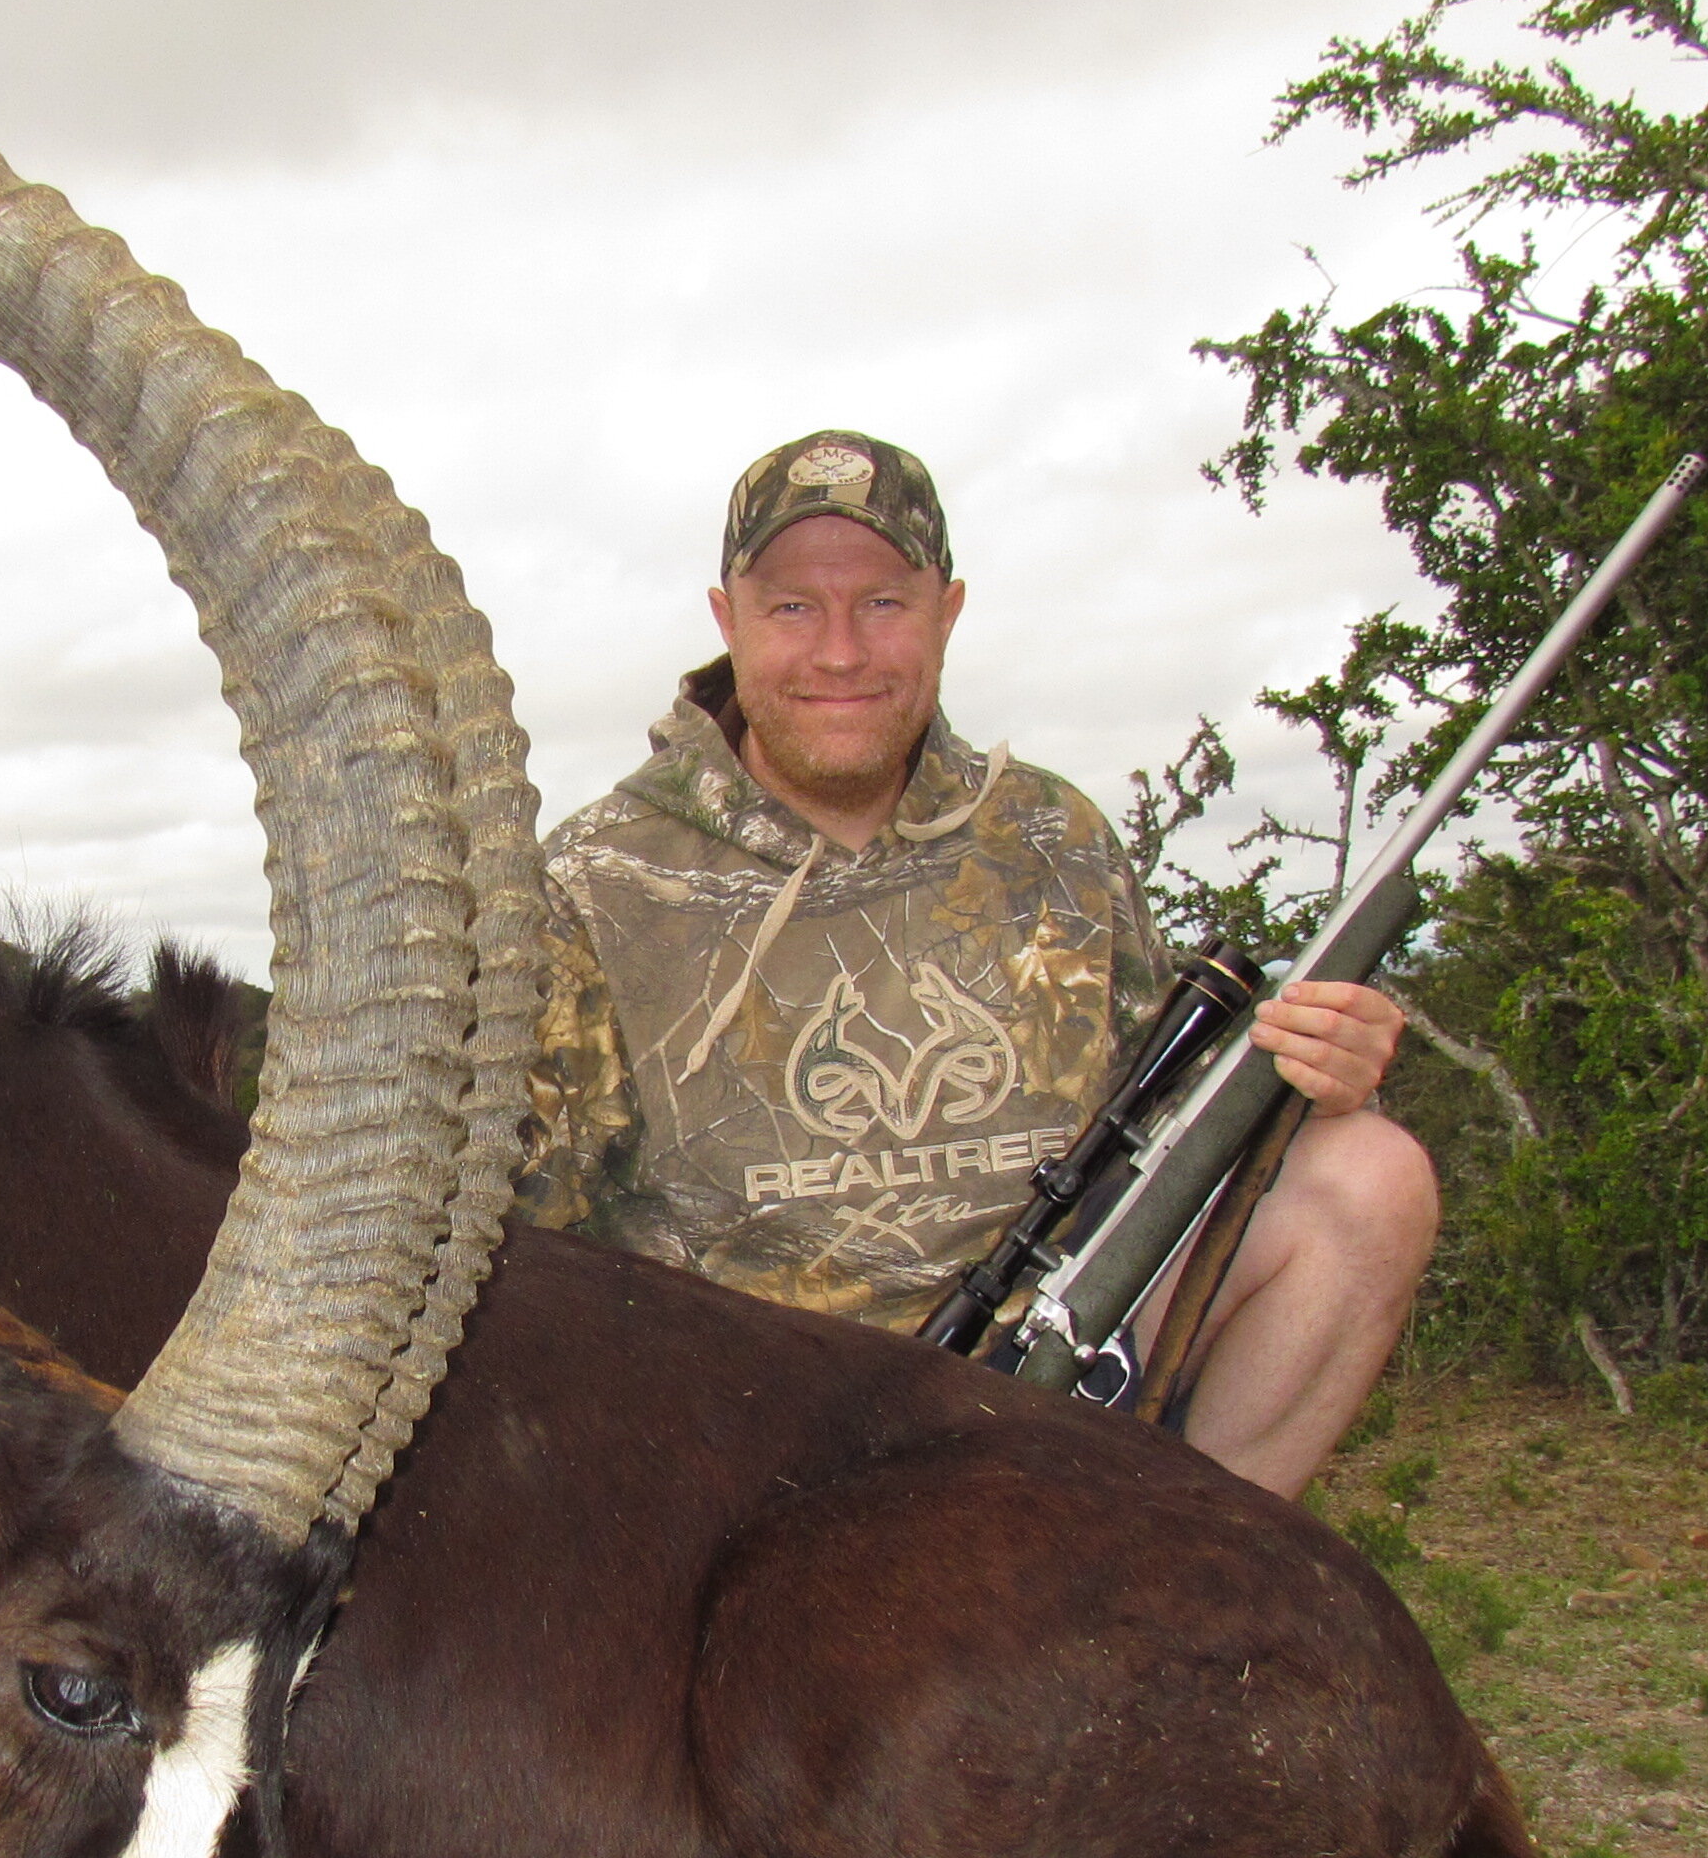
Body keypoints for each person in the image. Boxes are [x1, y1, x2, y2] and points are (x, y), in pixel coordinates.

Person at [515, 428, 1437, 1501]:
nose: (842, 652)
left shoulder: (1056, 838)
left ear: (947, 611)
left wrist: (1314, 1082)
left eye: (884, 603)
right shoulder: (592, 877)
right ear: (728, 620)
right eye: (794, 607)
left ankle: (1181, 1578)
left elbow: (1180, 1137)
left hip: (1055, 1387)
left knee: (1369, 1178)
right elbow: (530, 1247)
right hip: (750, 1452)